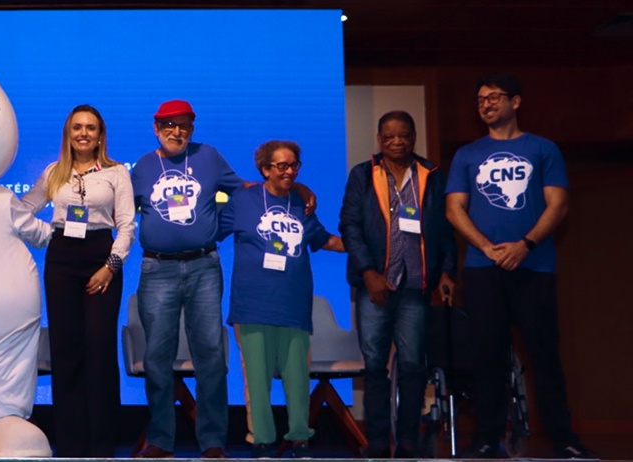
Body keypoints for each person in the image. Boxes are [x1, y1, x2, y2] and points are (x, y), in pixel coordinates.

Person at [445, 74, 593, 459]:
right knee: (487, 357)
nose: (486, 104)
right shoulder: (467, 154)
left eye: (494, 97)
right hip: (483, 268)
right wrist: (487, 247)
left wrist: (525, 245)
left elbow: (558, 204)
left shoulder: (542, 149)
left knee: (544, 355)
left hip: (534, 266)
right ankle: (486, 439)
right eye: (480, 99)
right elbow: (454, 209)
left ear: (516, 101)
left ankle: (563, 439)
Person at [129, 99, 244, 459]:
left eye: (184, 126)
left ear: (192, 129)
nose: (177, 132)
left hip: (203, 266)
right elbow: (122, 211)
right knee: (156, 357)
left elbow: (243, 192)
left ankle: (213, 442)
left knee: (210, 354)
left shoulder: (208, 156)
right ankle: (161, 440)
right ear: (156, 129)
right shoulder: (143, 167)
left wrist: (220, 227)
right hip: (157, 269)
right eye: (169, 125)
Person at [218, 140, 345, 459]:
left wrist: (367, 245)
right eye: (282, 166)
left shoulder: (301, 204)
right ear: (265, 169)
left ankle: (300, 439)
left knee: (297, 379)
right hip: (252, 305)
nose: (289, 171)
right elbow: (211, 229)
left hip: (293, 304)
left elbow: (325, 240)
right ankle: (261, 441)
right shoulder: (243, 201)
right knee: (256, 379)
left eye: (294, 165)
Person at [339, 110, 455, 458]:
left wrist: (447, 272)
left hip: (416, 285)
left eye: (403, 135)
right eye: (389, 136)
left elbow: (445, 228)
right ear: (379, 139)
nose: (396, 142)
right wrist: (368, 272)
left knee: (413, 366)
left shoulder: (431, 174)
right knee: (375, 367)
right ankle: (377, 441)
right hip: (375, 285)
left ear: (413, 137)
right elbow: (350, 226)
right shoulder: (362, 174)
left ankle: (407, 442)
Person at [21, 104, 135, 458]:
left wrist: (110, 266)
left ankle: (101, 444)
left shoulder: (116, 173)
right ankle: (70, 444)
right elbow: (22, 209)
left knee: (99, 349)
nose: (83, 133)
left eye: (90, 128)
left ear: (100, 136)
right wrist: (45, 235)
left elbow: (127, 225)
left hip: (102, 259)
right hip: (62, 261)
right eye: (77, 128)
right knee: (66, 350)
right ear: (68, 134)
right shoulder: (54, 172)